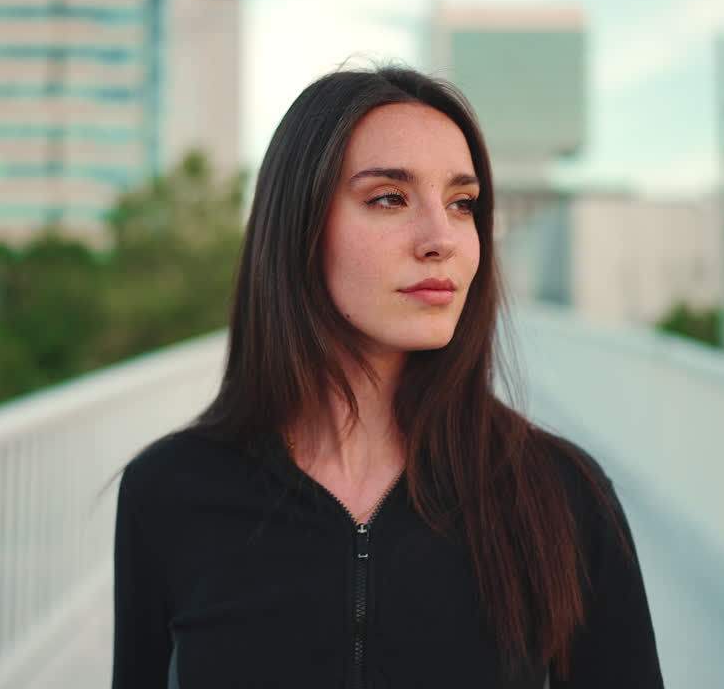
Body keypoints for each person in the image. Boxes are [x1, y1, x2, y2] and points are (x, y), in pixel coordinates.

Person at [112, 65, 663, 688]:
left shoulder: (563, 496)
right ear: (298, 228)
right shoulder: (171, 491)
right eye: (389, 198)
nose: (441, 239)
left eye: (462, 204)